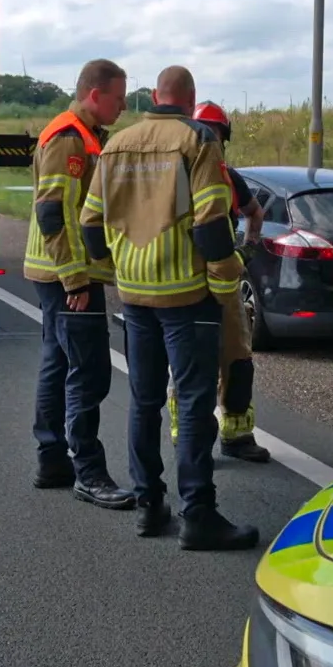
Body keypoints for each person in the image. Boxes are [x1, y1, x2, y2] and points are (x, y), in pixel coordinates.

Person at [80, 66, 259, 551]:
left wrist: (118, 266)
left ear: (155, 95)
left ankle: (147, 504)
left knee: (144, 401)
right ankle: (198, 514)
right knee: (196, 402)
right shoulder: (198, 140)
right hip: (188, 297)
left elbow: (90, 226)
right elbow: (211, 226)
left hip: (135, 295)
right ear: (191, 98)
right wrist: (229, 274)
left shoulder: (117, 144)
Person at [24, 59, 136, 511]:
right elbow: (55, 211)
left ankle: (52, 458)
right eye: (118, 97)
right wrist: (75, 276)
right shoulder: (70, 138)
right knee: (88, 371)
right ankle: (89, 471)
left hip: (55, 274)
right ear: (95, 94)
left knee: (58, 363)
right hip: (67, 276)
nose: (123, 106)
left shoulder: (84, 136)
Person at [173, 101, 270, 463]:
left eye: (215, 134)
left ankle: (237, 434)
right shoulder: (175, 173)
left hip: (224, 283)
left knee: (238, 359)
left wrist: (249, 249)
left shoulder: (229, 176)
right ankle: (189, 438)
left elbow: (254, 213)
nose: (210, 139)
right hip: (187, 282)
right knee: (190, 363)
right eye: (206, 132)